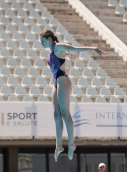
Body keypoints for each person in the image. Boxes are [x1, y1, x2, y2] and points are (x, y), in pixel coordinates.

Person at [40, 30, 108, 162]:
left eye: (43, 41)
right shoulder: (52, 51)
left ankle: (71, 144)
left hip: (62, 81)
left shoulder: (58, 46)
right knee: (56, 115)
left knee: (65, 114)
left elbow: (75, 48)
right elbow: (62, 56)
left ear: (49, 39)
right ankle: (58, 145)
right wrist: (69, 55)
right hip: (55, 82)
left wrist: (93, 49)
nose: (42, 44)